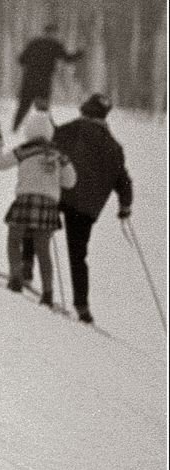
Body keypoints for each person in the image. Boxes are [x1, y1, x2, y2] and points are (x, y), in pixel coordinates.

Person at [53, 93, 133, 324]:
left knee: (36, 221)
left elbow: (52, 137)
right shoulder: (115, 147)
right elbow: (123, 181)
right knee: (78, 255)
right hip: (87, 209)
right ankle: (82, 305)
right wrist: (125, 206)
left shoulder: (78, 128)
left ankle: (26, 268)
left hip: (65, 195)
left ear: (86, 109)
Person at [0, 112, 76, 304]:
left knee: (14, 239)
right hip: (49, 204)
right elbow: (70, 181)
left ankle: (15, 278)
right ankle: (47, 292)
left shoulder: (24, 150)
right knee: (42, 248)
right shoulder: (59, 155)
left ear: (29, 130)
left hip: (25, 199)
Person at [13, 23, 85, 129]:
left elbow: (21, 60)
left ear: (44, 32)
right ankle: (45, 132)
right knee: (43, 110)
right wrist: (79, 54)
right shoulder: (55, 45)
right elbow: (68, 59)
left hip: (29, 80)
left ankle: (14, 129)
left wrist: (32, 65)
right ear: (54, 33)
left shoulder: (34, 43)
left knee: (23, 107)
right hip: (43, 82)